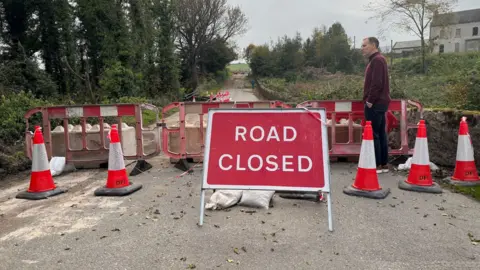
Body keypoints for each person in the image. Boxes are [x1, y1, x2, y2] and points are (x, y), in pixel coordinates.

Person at [361, 37, 391, 173]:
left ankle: (377, 163)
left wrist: (370, 101)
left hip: (375, 103)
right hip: (380, 103)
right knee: (380, 133)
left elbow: (377, 83)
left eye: (364, 45)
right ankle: (383, 163)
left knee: (374, 134)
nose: (362, 48)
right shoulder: (379, 60)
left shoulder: (377, 60)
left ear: (373, 45)